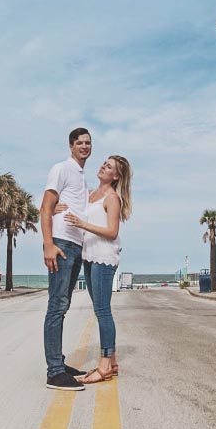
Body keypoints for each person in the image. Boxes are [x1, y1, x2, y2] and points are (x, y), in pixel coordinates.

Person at [61, 155, 133, 384]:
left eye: (109, 166)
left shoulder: (112, 198)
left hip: (103, 257)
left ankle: (104, 366)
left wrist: (82, 224)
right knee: (99, 309)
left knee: (103, 311)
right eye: (104, 163)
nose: (103, 166)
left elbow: (112, 232)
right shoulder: (91, 194)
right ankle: (111, 363)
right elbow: (73, 209)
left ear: (116, 176)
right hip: (88, 256)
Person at [40, 128, 93, 391]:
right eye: (79, 143)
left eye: (88, 143)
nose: (84, 146)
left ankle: (59, 363)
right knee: (57, 306)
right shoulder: (61, 168)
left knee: (64, 304)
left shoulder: (82, 179)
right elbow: (45, 207)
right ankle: (54, 372)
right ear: (71, 146)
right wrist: (48, 245)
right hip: (61, 243)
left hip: (76, 245)